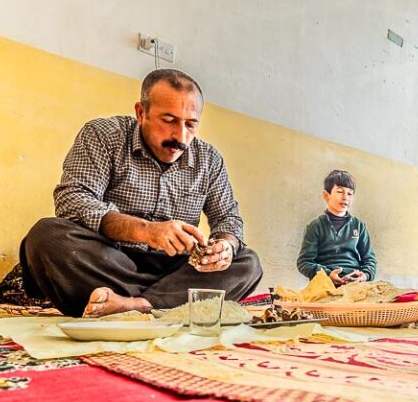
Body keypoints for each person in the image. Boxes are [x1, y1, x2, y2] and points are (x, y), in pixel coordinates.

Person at [19, 69, 263, 317]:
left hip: (173, 270)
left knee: (247, 263)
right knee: (45, 236)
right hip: (112, 260)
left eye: (191, 124)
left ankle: (134, 304)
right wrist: (146, 231)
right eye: (168, 120)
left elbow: (228, 218)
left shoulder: (209, 160)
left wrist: (225, 246)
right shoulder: (104, 135)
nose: (180, 136)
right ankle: (167, 302)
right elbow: (72, 199)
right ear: (140, 112)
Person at [296, 169, 377, 286]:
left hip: (354, 284)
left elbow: (370, 260)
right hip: (325, 284)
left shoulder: (359, 226)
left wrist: (365, 275)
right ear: (326, 195)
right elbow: (304, 262)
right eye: (340, 192)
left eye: (350, 193)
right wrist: (327, 274)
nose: (345, 197)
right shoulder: (315, 226)